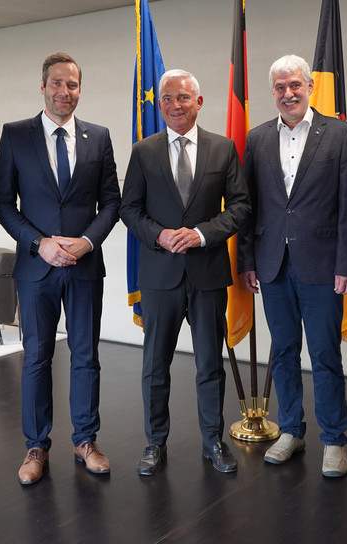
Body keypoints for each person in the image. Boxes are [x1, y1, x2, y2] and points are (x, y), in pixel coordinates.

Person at [0, 52, 121, 485]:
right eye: (57, 83)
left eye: (72, 85)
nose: (65, 91)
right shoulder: (15, 135)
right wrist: (39, 243)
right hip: (36, 267)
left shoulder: (98, 137)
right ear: (43, 86)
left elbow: (112, 201)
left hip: (84, 265)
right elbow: (2, 203)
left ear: (79, 90)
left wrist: (87, 241)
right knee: (36, 358)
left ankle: (86, 440)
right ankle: (36, 446)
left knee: (86, 356)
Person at [120, 69, 250, 475]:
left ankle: (213, 441)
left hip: (207, 273)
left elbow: (241, 207)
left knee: (210, 364)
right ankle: (154, 443)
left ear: (199, 101)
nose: (175, 105)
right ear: (160, 105)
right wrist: (159, 236)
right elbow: (129, 209)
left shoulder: (223, 148)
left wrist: (200, 234)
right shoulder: (143, 151)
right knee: (155, 365)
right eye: (167, 98)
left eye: (183, 97)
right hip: (160, 276)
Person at [236, 54, 347, 477]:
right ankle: (291, 430)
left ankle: (334, 439)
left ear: (310, 86)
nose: (288, 93)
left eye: (295, 85)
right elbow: (248, 205)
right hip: (271, 265)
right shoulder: (257, 138)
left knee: (325, 354)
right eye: (280, 87)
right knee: (284, 351)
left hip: (323, 266)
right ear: (272, 91)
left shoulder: (341, 134)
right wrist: (248, 260)